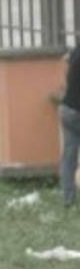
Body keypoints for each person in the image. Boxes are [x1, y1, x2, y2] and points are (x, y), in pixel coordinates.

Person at [60, 46, 80, 208]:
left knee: (69, 157)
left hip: (66, 108)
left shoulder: (76, 51)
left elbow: (66, 59)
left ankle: (68, 197)